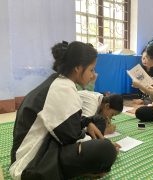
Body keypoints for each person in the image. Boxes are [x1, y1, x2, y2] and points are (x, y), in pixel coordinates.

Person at [10, 41, 120, 179]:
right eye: (91, 69)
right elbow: (71, 138)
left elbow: (70, 123)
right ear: (78, 68)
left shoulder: (60, 82)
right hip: (30, 165)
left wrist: (87, 124)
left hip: (44, 145)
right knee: (106, 150)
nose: (93, 75)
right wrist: (100, 145)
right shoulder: (63, 89)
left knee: (94, 122)